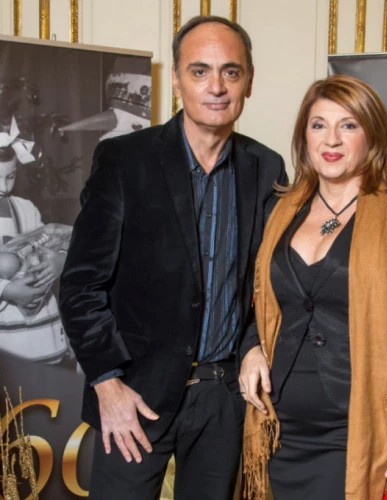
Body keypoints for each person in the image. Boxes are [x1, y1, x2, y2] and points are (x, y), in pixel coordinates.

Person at [59, 15, 286, 500]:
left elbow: (262, 280)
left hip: (222, 400)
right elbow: (80, 286)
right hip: (135, 396)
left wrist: (252, 344)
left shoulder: (266, 167)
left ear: (248, 81)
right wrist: (106, 382)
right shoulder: (124, 160)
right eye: (200, 71)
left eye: (230, 71)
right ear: (178, 81)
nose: (216, 86)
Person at [238, 75, 387, 500]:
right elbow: (256, 303)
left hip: (354, 431)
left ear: (372, 136)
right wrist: (250, 348)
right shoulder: (277, 211)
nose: (331, 139)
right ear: (304, 136)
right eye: (319, 125)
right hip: (278, 427)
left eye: (348, 125)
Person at [0, 127, 69, 364]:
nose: (3, 187)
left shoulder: (25, 208)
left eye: (10, 177)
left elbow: (50, 244)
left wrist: (60, 260)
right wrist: (7, 291)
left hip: (43, 335)